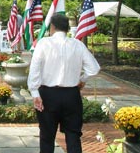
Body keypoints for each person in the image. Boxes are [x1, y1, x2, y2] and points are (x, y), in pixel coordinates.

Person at [27, 13, 101, 153]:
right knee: (73, 135)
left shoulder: (44, 43)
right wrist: (82, 80)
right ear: (67, 28)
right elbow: (94, 68)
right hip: (71, 95)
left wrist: (35, 92)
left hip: (48, 95)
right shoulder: (77, 45)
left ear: (52, 27)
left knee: (47, 136)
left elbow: (35, 69)